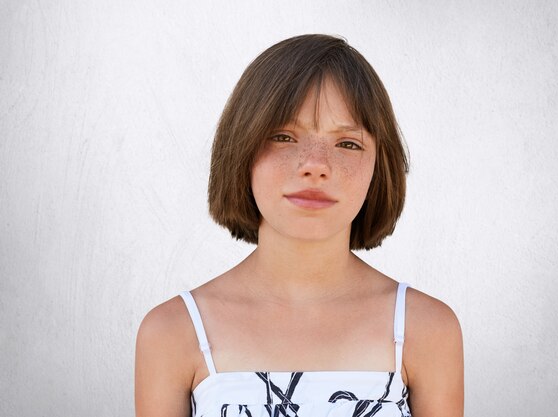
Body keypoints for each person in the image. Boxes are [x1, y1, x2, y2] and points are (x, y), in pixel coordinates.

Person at [135, 34, 463, 417]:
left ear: (379, 167)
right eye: (283, 136)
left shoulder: (428, 330)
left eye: (348, 143)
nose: (315, 164)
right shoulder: (172, 332)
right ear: (241, 149)